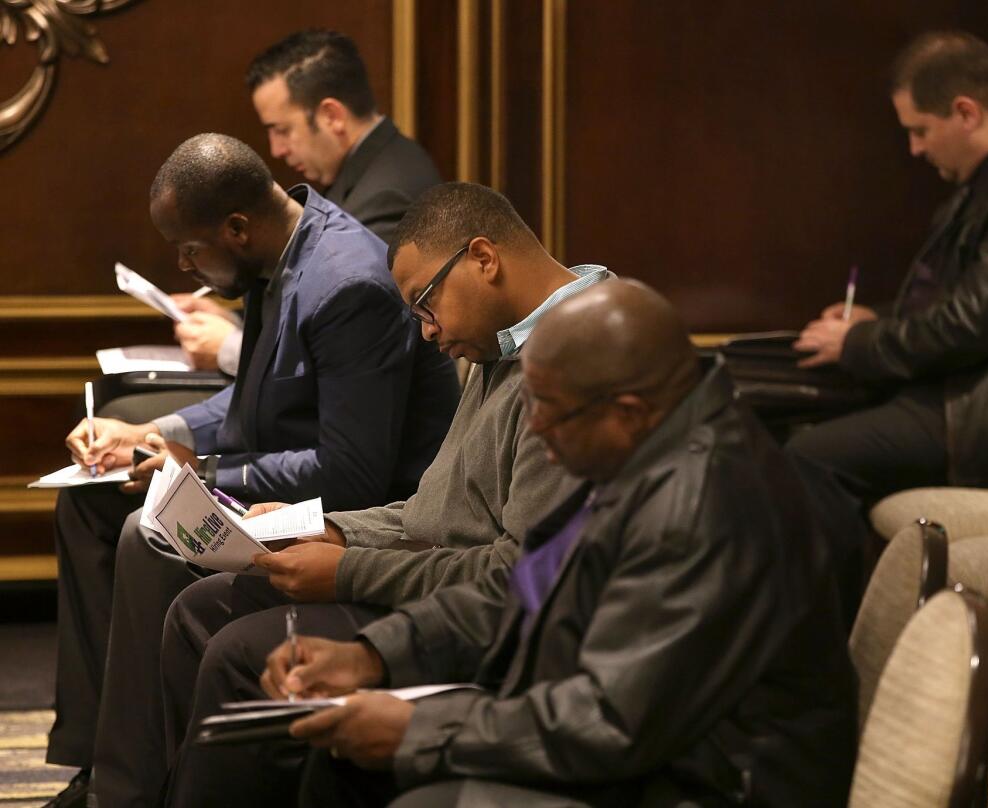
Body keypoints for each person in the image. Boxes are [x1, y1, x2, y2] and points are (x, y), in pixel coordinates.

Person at [233, 279, 858, 807]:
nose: (535, 431)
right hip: (646, 743)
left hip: (712, 782)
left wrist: (420, 727)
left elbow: (611, 723)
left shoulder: (705, 503)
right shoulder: (649, 455)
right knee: (346, 759)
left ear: (628, 411)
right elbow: (523, 588)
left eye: (550, 411)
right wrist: (374, 655)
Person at [107, 181, 609, 807]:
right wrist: (327, 529)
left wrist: (350, 571)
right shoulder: (501, 343)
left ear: (484, 259)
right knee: (201, 608)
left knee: (240, 651)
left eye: (426, 305)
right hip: (435, 579)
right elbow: (433, 512)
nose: (425, 333)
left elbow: (523, 576)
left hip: (493, 628)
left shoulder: (579, 356)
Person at [45, 134, 459, 808]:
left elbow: (352, 472)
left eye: (189, 249)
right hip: (286, 488)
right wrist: (152, 434)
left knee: (143, 536)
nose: (184, 265)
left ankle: (128, 793)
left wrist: (202, 470)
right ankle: (98, 756)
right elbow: (252, 403)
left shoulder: (348, 284)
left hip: (357, 517)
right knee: (91, 504)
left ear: (236, 229)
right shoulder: (277, 254)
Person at [787, 30, 988, 502]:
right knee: (789, 409)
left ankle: (859, 579)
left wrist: (860, 343)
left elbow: (969, 327)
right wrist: (878, 319)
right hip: (968, 383)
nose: (915, 148)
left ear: (965, 112)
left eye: (920, 130)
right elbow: (960, 298)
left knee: (809, 456)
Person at [168, 28, 442, 376]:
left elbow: (349, 337)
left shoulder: (387, 195)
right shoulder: (364, 171)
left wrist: (229, 349)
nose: (276, 150)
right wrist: (237, 319)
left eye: (282, 130)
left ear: (331, 116)